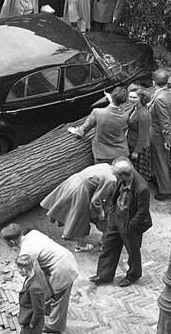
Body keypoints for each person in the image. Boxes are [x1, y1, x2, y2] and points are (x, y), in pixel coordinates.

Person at [0, 224, 80, 334]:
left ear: (12, 242)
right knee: (51, 290)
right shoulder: (33, 233)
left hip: (63, 268)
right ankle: (47, 308)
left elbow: (35, 275)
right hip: (64, 258)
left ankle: (55, 326)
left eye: (6, 242)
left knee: (59, 297)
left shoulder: (27, 252)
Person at [91, 158, 152, 287]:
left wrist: (130, 227)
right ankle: (104, 276)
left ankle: (132, 276)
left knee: (133, 252)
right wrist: (111, 211)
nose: (114, 176)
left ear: (123, 175)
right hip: (116, 216)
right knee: (108, 245)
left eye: (116, 175)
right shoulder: (123, 176)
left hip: (130, 222)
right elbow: (116, 192)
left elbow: (142, 212)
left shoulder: (142, 189)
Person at [40, 161, 118, 246]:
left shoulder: (106, 165)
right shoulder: (112, 179)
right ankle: (81, 245)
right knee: (81, 218)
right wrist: (100, 213)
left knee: (73, 213)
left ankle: (67, 234)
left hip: (73, 181)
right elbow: (96, 201)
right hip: (81, 189)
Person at [8, 253, 47, 334]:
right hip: (32, 319)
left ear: (24, 269)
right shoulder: (34, 275)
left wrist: (31, 325)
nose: (18, 271)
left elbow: (39, 310)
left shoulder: (34, 288)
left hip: (31, 321)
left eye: (19, 269)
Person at [68, 85, 130, 163]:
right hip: (122, 153)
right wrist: (111, 99)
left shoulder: (97, 112)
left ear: (112, 96)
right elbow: (116, 108)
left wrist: (76, 131)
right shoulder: (125, 116)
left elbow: (83, 130)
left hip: (103, 155)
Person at [148, 68, 171, 200]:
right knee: (161, 160)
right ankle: (159, 180)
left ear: (154, 83)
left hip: (161, 134)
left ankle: (166, 189)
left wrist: (166, 140)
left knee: (161, 161)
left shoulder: (159, 98)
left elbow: (163, 122)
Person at [127, 83, 153, 181]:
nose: (131, 99)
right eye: (130, 97)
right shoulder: (135, 108)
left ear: (140, 98)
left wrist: (136, 152)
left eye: (134, 98)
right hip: (132, 142)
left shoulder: (143, 115)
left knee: (139, 174)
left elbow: (143, 135)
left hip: (139, 147)